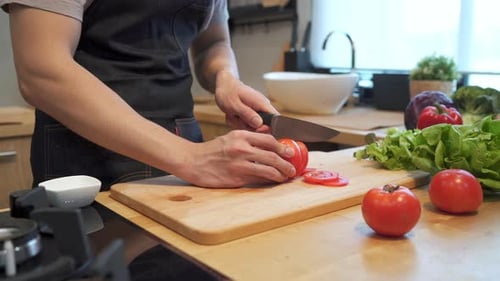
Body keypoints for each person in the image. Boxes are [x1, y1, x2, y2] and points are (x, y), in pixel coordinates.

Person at [0, 0, 297, 190]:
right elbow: (41, 70)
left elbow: (213, 43)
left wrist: (225, 77)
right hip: (88, 160)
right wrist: (191, 158)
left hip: (187, 153)